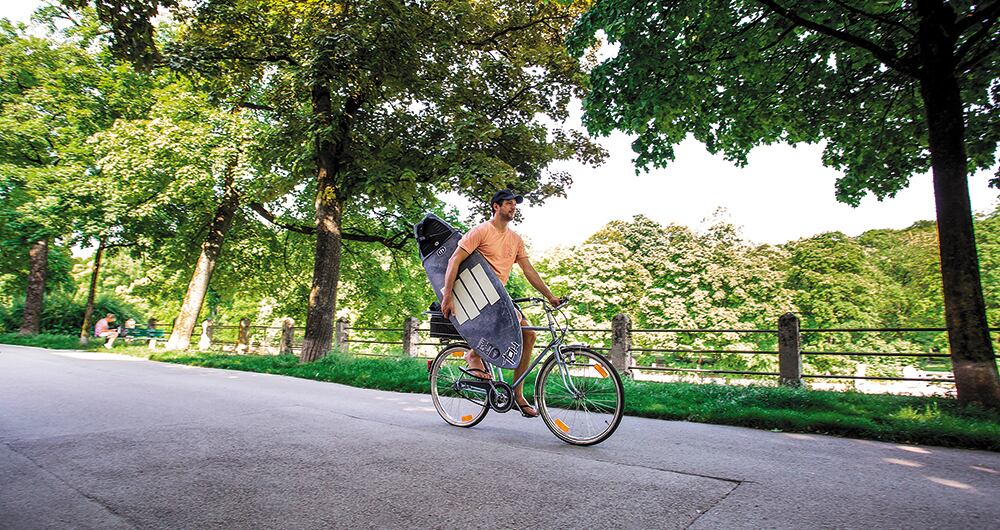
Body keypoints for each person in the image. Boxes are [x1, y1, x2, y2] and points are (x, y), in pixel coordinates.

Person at [441, 189, 561, 418]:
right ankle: (474, 355)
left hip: (499, 296)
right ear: (496, 206)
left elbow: (528, 270)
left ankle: (517, 393)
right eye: (508, 203)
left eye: (515, 204)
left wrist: (550, 295)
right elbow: (454, 260)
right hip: (478, 293)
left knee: (529, 334)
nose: (513, 207)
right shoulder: (481, 232)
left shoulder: (515, 240)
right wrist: (447, 295)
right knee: (514, 320)